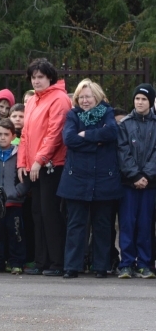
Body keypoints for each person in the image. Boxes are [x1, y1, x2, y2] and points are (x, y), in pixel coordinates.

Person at [58, 79, 121, 279]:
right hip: (76, 178)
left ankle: (101, 266)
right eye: (81, 97)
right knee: (76, 223)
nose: (85, 101)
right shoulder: (72, 115)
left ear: (97, 97)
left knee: (102, 224)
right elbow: (69, 139)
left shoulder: (108, 113)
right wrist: (97, 141)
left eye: (88, 96)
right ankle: (72, 266)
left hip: (104, 178)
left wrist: (86, 135)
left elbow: (112, 132)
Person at [17, 58, 71, 277]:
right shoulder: (32, 101)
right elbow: (25, 134)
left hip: (51, 165)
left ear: (50, 77)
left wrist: (38, 160)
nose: (36, 81)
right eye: (33, 77)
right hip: (34, 166)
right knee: (37, 213)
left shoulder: (59, 99)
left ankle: (57, 262)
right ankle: (40, 261)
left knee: (50, 214)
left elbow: (55, 133)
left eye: (40, 77)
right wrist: (22, 162)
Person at [117, 83, 156, 279]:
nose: (140, 102)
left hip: (150, 184)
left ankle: (144, 263)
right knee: (127, 223)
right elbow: (122, 152)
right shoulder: (125, 124)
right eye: (137, 99)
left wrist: (147, 176)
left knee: (145, 223)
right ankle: (126, 263)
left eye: (144, 99)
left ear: (151, 102)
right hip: (129, 184)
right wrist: (134, 176)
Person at [0, 119, 30, 274]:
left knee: (16, 233)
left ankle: (16, 262)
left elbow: (26, 177)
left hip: (14, 202)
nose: (2, 137)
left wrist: (18, 192)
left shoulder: (19, 154)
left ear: (13, 136)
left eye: (6, 134)